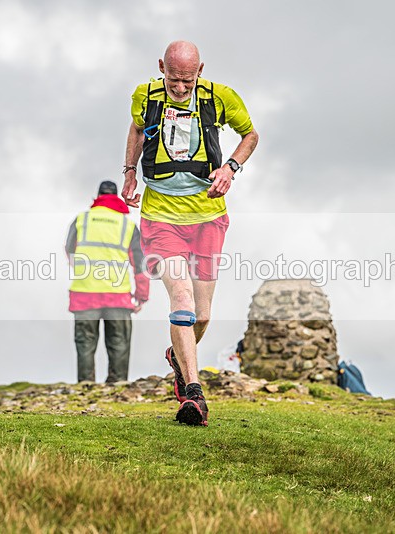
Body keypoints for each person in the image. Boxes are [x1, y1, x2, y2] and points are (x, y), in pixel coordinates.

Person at [121, 41, 259, 426]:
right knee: (180, 298)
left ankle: (177, 356)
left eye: (187, 80)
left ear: (200, 71)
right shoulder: (144, 95)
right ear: (161, 66)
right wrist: (129, 172)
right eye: (173, 78)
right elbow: (136, 129)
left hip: (208, 217)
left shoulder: (221, 97)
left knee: (201, 315)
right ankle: (193, 394)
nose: (179, 88)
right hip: (161, 216)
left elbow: (250, 135)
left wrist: (230, 167)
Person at [65, 180, 149, 383]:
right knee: (119, 343)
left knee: (85, 344)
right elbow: (140, 265)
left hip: (84, 294)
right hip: (118, 296)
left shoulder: (81, 220)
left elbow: (70, 251)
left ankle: (85, 388)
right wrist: (142, 296)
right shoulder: (127, 226)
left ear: (98, 196)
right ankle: (117, 388)